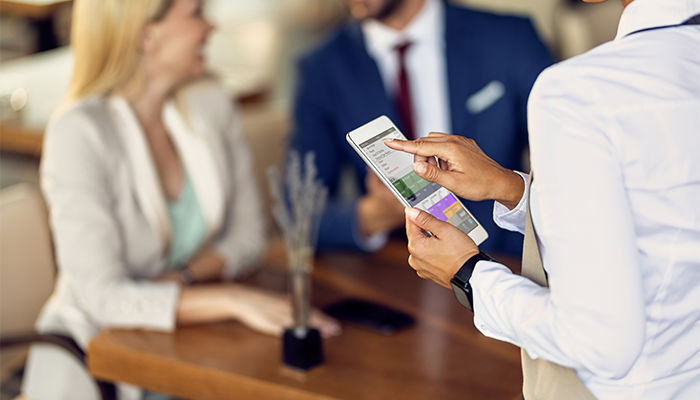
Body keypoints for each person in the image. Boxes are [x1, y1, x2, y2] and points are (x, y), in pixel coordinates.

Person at [21, 1, 340, 399]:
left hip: (189, 343)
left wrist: (179, 282)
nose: (211, 26)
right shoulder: (79, 133)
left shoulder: (210, 102)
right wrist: (230, 299)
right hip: (98, 360)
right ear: (145, 35)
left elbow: (249, 237)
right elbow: (103, 298)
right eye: (195, 13)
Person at [385, 0, 700, 397]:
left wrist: (469, 274)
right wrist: (511, 189)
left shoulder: (578, 92)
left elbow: (600, 343)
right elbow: (661, 217)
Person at [288, 0, 553, 255]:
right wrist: (372, 215)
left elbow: (575, 164)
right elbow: (298, 213)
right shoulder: (320, 68)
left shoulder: (510, 38)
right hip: (402, 275)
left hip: (510, 261)